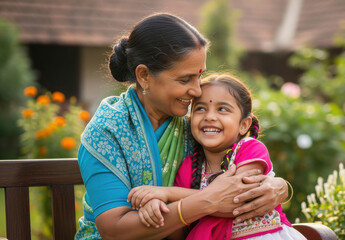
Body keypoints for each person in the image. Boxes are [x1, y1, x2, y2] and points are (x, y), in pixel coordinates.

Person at [75, 13, 289, 240]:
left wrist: (279, 186)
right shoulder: (107, 131)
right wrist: (207, 201)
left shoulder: (194, 121)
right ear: (144, 76)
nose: (197, 91)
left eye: (199, 77)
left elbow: (240, 159)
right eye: (185, 80)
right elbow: (114, 229)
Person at [128, 74, 305, 240]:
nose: (210, 117)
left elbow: (238, 200)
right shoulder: (188, 166)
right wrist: (157, 208)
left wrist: (166, 193)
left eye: (222, 109)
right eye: (201, 109)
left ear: (244, 125)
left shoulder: (250, 149)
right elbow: (178, 233)